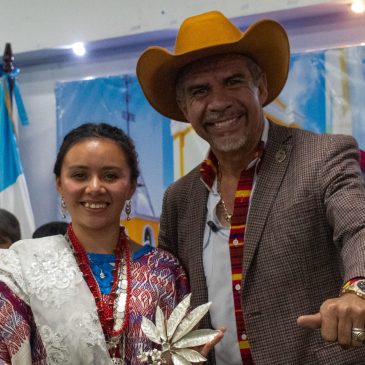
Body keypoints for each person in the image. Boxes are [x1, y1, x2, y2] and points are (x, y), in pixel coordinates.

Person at [136, 10, 365, 365]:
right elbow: (171, 296)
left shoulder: (321, 156)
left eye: (233, 81)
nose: (219, 102)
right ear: (184, 107)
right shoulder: (179, 199)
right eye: (200, 91)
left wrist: (359, 291)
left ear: (262, 88)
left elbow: (359, 226)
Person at [0, 123, 221, 364]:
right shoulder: (22, 268)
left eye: (110, 175)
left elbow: (182, 354)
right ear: (59, 184)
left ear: (131, 186)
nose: (95, 187)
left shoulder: (164, 271)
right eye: (79, 175)